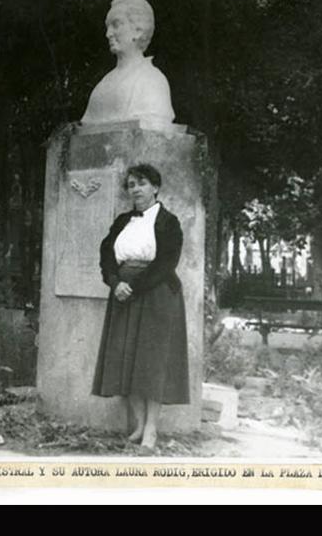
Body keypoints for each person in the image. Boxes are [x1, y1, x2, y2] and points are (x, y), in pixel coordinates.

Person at [92, 163, 190, 451]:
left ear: (156, 187)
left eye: (142, 183)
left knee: (152, 362)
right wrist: (114, 282)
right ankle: (137, 424)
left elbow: (166, 263)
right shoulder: (122, 221)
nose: (135, 189)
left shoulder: (168, 222)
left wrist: (133, 288)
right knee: (126, 357)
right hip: (123, 294)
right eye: (131, 185)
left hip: (156, 295)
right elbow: (106, 255)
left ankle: (151, 430)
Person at [81, 0, 175, 125]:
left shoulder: (153, 81)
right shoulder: (103, 84)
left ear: (138, 30)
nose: (108, 34)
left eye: (116, 25)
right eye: (108, 27)